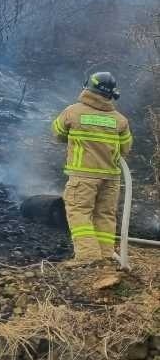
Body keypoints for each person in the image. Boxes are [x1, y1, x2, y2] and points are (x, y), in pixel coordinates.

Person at [51, 72, 132, 265]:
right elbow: (126, 149)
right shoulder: (120, 120)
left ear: (88, 88)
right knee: (105, 214)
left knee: (79, 212)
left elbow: (58, 134)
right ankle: (105, 255)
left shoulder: (73, 112)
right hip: (111, 178)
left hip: (83, 176)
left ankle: (88, 256)